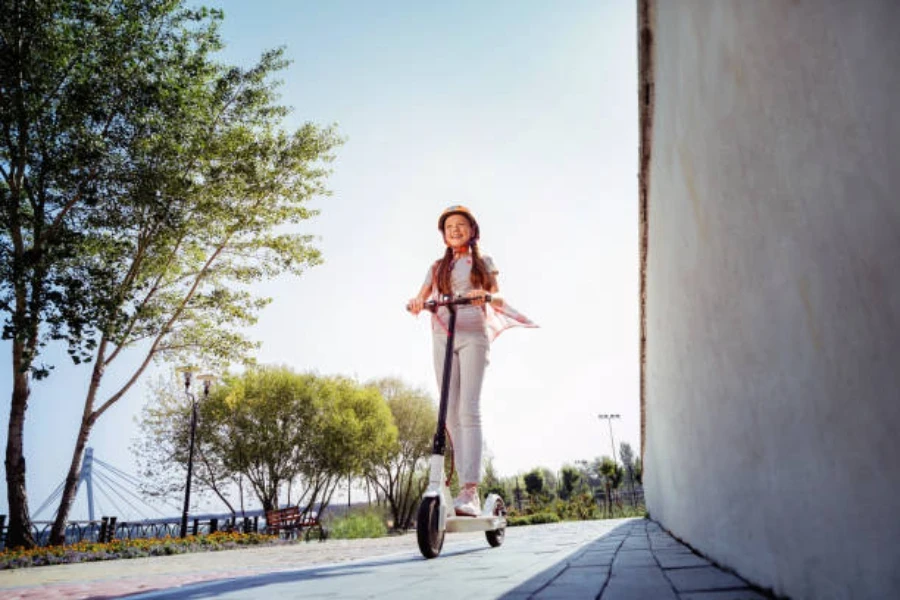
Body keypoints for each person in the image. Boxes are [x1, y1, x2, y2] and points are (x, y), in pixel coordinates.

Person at [408, 205, 536, 516]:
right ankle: (449, 488)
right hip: (443, 333)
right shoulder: (437, 267)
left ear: (472, 230)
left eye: (461, 225)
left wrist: (484, 294)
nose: (454, 229)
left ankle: (470, 491)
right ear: (443, 233)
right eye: (449, 226)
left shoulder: (483, 262)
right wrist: (416, 302)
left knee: (468, 407)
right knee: (448, 411)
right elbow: (421, 295)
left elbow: (497, 294)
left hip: (473, 334)